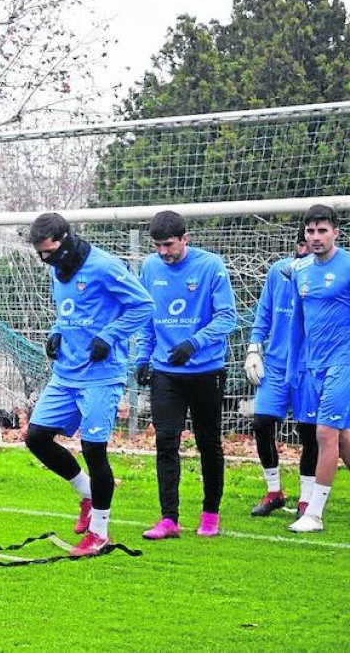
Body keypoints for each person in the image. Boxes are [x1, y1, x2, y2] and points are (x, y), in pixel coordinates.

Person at [25, 213, 153, 557]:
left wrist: (110, 336)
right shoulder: (56, 270)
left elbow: (144, 306)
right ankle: (86, 493)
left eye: (48, 252)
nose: (44, 260)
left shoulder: (104, 266)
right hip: (66, 374)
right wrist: (56, 333)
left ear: (65, 241)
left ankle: (99, 532)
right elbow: (68, 313)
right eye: (40, 254)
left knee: (94, 451)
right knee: (36, 437)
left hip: (101, 376)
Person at [135, 210, 236, 540]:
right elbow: (148, 316)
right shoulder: (150, 267)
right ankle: (169, 519)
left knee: (209, 443)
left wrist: (194, 343)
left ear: (185, 239)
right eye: (158, 246)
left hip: (206, 370)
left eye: (169, 245)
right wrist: (142, 358)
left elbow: (227, 318)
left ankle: (210, 513)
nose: (163, 252)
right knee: (166, 441)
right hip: (166, 372)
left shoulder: (210, 267)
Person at [244, 227, 316, 516]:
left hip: (309, 367)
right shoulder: (278, 272)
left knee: (308, 431)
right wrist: (253, 348)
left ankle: (307, 498)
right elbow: (264, 312)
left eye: (309, 244)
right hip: (275, 364)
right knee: (261, 422)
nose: (304, 250)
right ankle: (274, 491)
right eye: (300, 243)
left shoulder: (326, 279)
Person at [288, 204, 350, 533]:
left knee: (324, 433)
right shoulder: (300, 271)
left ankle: (314, 513)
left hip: (345, 360)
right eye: (310, 231)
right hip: (314, 365)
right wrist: (294, 365)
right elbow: (298, 324)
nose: (315, 237)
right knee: (341, 439)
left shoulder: (349, 266)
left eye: (322, 230)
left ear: (335, 233)